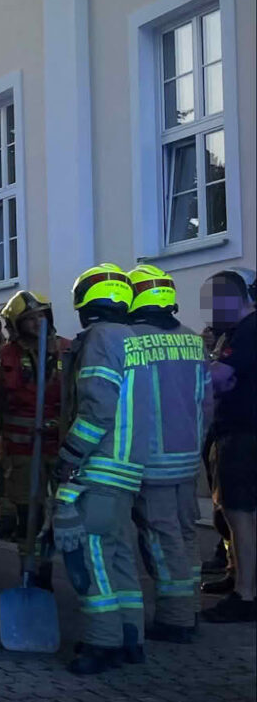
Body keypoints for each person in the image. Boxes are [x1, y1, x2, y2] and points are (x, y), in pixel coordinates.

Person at [55, 264, 155, 675]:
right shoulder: (136, 338)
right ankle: (131, 638)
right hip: (129, 468)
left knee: (90, 555)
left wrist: (71, 453)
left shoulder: (98, 339)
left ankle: (102, 643)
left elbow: (97, 406)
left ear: (84, 303)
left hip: (100, 467)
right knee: (119, 557)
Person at [124, 264, 210, 642]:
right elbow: (207, 402)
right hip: (188, 457)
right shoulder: (193, 339)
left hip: (152, 460)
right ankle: (190, 607)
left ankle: (175, 619)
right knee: (186, 533)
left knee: (161, 538)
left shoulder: (131, 341)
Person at [0, 291, 68, 589]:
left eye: (41, 317)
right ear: (16, 325)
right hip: (20, 449)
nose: (37, 323)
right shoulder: (3, 356)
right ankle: (31, 572)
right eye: (29, 319)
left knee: (65, 514)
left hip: (61, 448)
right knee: (27, 515)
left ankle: (49, 563)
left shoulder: (66, 350)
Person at [201, 267, 257, 623]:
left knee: (241, 515)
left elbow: (220, 378)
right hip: (239, 432)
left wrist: (196, 369)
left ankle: (246, 594)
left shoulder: (249, 331)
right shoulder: (239, 331)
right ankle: (238, 575)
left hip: (243, 434)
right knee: (237, 514)